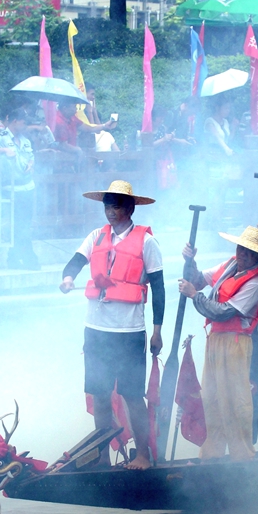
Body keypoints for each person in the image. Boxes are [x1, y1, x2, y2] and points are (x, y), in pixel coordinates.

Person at [59, 181, 164, 470]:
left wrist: (157, 330)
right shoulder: (96, 236)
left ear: (129, 209)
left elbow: (158, 287)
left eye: (116, 206)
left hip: (129, 332)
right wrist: (67, 279)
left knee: (132, 396)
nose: (110, 211)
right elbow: (74, 263)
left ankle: (142, 455)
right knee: (100, 395)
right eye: (107, 206)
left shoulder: (147, 242)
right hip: (96, 330)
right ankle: (102, 456)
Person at [178, 226, 258, 462]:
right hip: (215, 341)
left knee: (236, 402)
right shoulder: (229, 266)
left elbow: (223, 312)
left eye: (249, 251)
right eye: (240, 248)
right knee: (211, 398)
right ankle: (211, 454)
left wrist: (194, 295)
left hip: (236, 344)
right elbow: (198, 280)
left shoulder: (256, 284)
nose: (242, 254)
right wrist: (190, 261)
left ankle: (241, 456)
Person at [0, 109, 40, 269]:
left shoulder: (25, 140)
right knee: (19, 225)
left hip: (27, 187)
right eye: (24, 122)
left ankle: (14, 258)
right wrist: (3, 150)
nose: (25, 126)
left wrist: (31, 165)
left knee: (24, 224)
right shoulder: (2, 137)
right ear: (15, 121)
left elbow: (31, 157)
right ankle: (28, 258)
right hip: (12, 188)